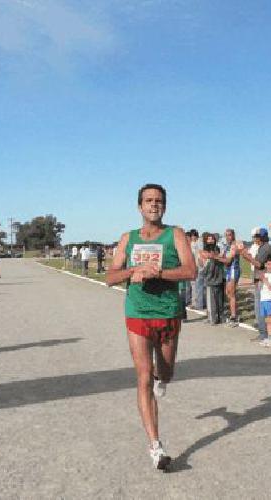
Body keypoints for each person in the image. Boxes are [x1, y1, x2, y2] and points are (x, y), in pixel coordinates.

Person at [104, 183, 196, 472]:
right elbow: (110, 277)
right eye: (148, 200)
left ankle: (162, 376)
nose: (153, 205)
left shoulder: (175, 234)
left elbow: (190, 271)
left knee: (165, 371)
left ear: (164, 206)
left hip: (168, 312)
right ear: (139, 206)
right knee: (143, 378)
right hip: (137, 312)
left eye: (158, 201)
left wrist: (159, 272)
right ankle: (156, 446)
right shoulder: (127, 239)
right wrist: (133, 271)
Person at [239, 228, 271, 341]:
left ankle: (265, 333)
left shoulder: (266, 247)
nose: (255, 238)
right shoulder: (261, 247)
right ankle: (263, 332)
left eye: (257, 236)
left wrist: (245, 256)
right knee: (258, 308)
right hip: (259, 279)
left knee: (261, 308)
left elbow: (258, 264)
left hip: (263, 281)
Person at [215, 229, 242, 326]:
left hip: (234, 270)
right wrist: (214, 256)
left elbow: (228, 261)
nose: (227, 237)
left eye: (229, 235)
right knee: (228, 293)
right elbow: (221, 256)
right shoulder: (226, 246)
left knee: (231, 293)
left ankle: (234, 316)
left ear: (233, 235)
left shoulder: (234, 245)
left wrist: (216, 258)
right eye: (226, 235)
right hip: (228, 271)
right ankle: (233, 313)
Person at [199, 233, 227, 325]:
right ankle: (213, 318)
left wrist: (216, 256)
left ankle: (219, 317)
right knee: (211, 299)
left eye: (212, 239)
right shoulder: (204, 250)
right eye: (209, 239)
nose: (210, 241)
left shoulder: (217, 248)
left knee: (219, 299)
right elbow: (205, 257)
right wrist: (214, 256)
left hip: (218, 276)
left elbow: (220, 257)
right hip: (210, 277)